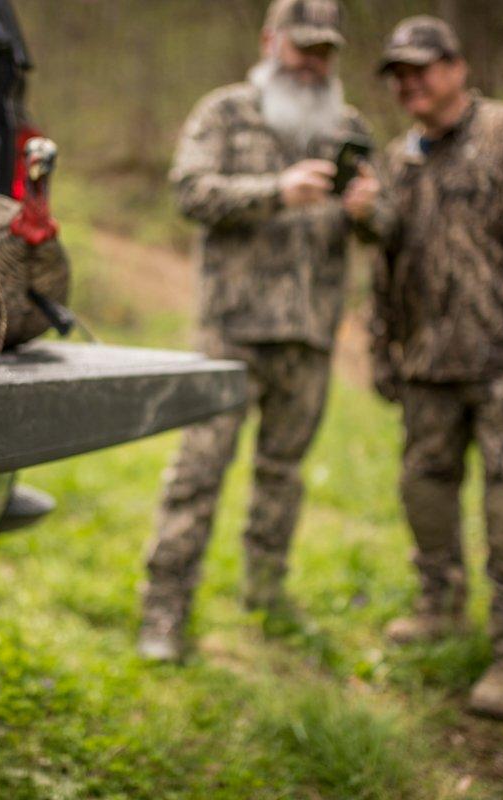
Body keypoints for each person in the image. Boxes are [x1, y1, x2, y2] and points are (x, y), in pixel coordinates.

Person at [343, 16, 503, 717]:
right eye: (397, 73)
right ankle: (439, 605)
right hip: (428, 364)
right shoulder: (399, 159)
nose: (408, 83)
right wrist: (384, 345)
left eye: (420, 68)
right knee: (424, 492)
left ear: (457, 67)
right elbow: (387, 263)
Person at [138, 0, 369, 661]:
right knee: (198, 473)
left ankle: (266, 598)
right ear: (271, 41)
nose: (314, 63)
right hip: (230, 334)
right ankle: (164, 612)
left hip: (311, 332)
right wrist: (275, 191)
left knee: (282, 474)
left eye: (325, 51)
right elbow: (189, 191)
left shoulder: (348, 125)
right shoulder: (225, 111)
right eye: (303, 48)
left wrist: (372, 211)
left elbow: (381, 224)